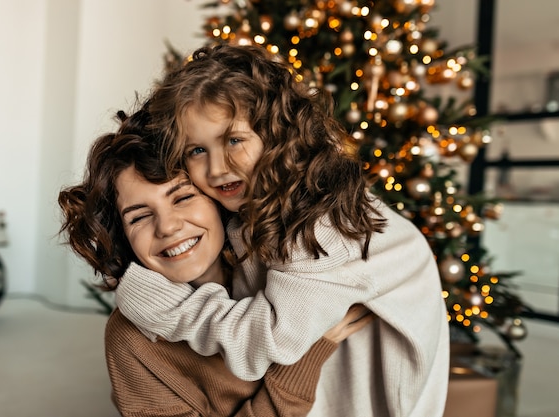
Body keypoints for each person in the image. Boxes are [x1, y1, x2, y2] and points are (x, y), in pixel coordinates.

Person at [115, 44, 450, 417]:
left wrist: (164, 304)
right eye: (196, 151)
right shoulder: (255, 205)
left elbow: (261, 346)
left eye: (234, 141)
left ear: (277, 134)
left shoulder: (326, 227)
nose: (216, 168)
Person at [57, 106, 373, 417]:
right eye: (139, 217)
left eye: (182, 197)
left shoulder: (285, 267)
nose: (167, 226)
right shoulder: (132, 340)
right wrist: (306, 356)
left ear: (219, 200)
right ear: (123, 237)